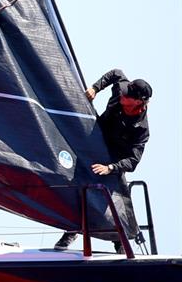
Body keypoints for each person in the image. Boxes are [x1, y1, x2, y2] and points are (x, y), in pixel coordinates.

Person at [54, 69, 151, 253]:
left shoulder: (141, 129)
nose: (122, 95)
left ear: (138, 102)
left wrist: (111, 168)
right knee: (79, 184)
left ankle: (120, 244)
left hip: (114, 160)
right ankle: (72, 229)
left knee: (115, 201)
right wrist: (95, 88)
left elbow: (133, 161)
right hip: (96, 139)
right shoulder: (122, 88)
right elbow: (115, 73)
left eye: (127, 96)